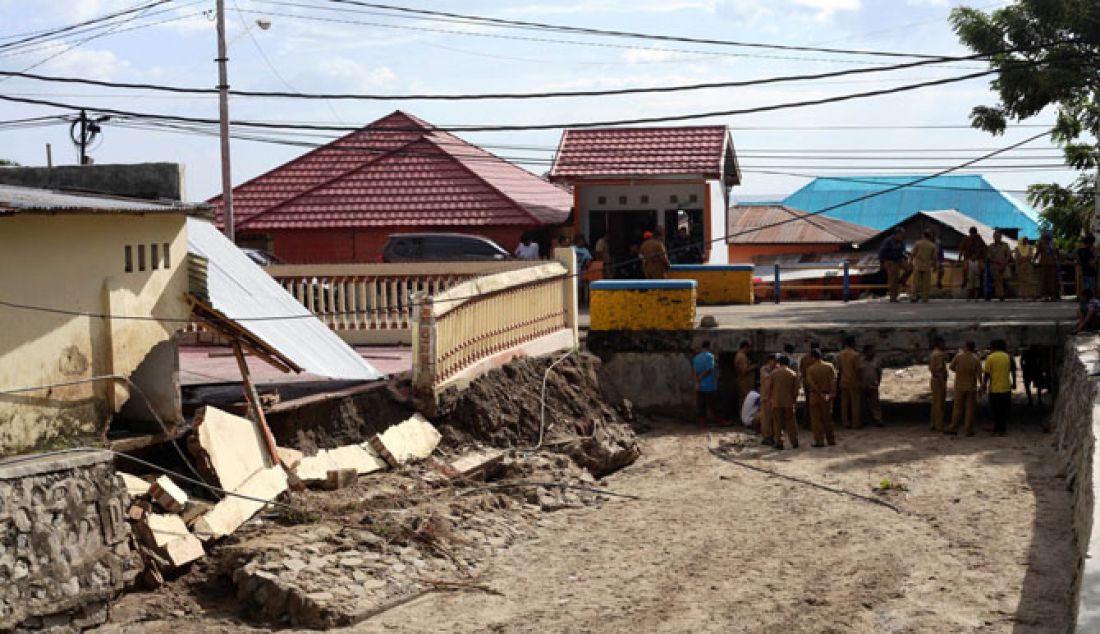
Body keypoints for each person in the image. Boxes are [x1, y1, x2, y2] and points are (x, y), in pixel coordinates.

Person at [981, 339, 1016, 437]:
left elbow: (987, 374)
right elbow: (1013, 371)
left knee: (995, 410)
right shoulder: (1009, 357)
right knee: (1004, 410)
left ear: (994, 347)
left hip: (994, 388)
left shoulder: (990, 357)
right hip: (1006, 388)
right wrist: (1014, 383)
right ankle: (1002, 430)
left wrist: (984, 385)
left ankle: (996, 428)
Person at [948, 341, 982, 436]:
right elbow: (979, 373)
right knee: (970, 409)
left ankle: (954, 427)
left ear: (966, 347)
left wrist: (959, 372)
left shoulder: (959, 356)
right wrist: (982, 385)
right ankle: (968, 430)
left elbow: (951, 367)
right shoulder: (976, 358)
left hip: (959, 385)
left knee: (957, 408)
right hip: (971, 386)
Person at [805, 348, 837, 447]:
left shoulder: (810, 369)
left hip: (815, 396)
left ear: (813, 357)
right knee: (827, 418)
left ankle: (819, 441)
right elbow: (833, 380)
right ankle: (831, 440)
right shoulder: (829, 366)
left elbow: (812, 384)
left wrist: (819, 393)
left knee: (816, 420)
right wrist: (832, 393)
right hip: (827, 395)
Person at [769, 355, 800, 450]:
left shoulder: (773, 373)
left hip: (777, 401)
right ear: (788, 363)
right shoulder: (793, 374)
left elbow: (770, 388)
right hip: (788, 402)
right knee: (791, 422)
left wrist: (771, 398)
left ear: (779, 363)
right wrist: (794, 399)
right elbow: (796, 390)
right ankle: (794, 441)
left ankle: (779, 442)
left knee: (777, 423)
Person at [877, 227, 911, 302]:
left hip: (899, 259)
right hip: (890, 260)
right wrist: (881, 264)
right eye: (901, 234)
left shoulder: (901, 241)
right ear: (896, 234)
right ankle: (893, 297)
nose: (902, 236)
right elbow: (881, 252)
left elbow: (903, 251)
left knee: (909, 268)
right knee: (893, 279)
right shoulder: (888, 240)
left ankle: (902, 280)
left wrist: (906, 256)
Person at [835, 336, 862, 429]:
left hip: (843, 380)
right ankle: (856, 422)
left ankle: (845, 422)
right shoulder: (855, 355)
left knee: (844, 403)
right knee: (855, 403)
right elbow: (858, 369)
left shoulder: (839, 355)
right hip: (854, 380)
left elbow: (839, 368)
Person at [693, 341, 719, 425]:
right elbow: (709, 369)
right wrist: (701, 377)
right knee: (713, 405)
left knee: (701, 405)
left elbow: (695, 372)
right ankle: (718, 421)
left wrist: (697, 382)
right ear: (709, 347)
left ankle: (702, 422)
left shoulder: (696, 358)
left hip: (700, 386)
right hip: (710, 385)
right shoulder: (710, 356)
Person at [959, 227, 987, 301]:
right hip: (968, 259)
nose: (972, 235)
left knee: (981, 271)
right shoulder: (966, 239)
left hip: (977, 259)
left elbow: (984, 248)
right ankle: (964, 281)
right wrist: (959, 260)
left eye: (974, 234)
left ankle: (979, 291)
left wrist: (983, 258)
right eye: (972, 234)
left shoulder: (979, 239)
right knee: (966, 270)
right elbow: (961, 250)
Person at [910, 229, 937, 302]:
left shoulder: (918, 243)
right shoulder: (932, 245)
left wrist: (910, 262)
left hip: (918, 265)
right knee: (926, 283)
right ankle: (925, 297)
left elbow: (912, 254)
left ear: (923, 235)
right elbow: (934, 258)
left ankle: (914, 297)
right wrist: (934, 266)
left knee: (915, 282)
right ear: (930, 236)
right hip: (927, 266)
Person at [860, 344, 884, 428]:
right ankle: (864, 420)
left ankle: (878, 419)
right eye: (870, 351)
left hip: (873, 385)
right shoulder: (860, 361)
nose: (872, 352)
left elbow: (879, 372)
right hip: (863, 385)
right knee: (863, 404)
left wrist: (878, 382)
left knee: (875, 403)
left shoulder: (876, 361)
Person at [758, 354, 779, 445]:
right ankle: (767, 437)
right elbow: (767, 379)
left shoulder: (777, 369)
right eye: (774, 361)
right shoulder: (764, 369)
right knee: (766, 418)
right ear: (770, 361)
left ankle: (775, 436)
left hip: (775, 397)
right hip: (766, 397)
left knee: (775, 418)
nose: (775, 363)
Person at [986, 230, 1013, 301]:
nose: (997, 238)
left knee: (1006, 278)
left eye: (998, 236)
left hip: (1004, 265)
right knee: (998, 280)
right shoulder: (991, 246)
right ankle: (1001, 295)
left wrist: (1004, 263)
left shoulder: (1005, 245)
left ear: (1001, 237)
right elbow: (989, 257)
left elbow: (1009, 255)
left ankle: (1002, 293)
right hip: (994, 266)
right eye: (995, 236)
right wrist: (997, 262)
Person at [929, 336, 948, 432]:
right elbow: (940, 370)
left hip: (934, 379)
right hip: (938, 380)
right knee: (940, 404)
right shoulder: (939, 354)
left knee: (935, 403)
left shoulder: (933, 353)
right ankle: (939, 425)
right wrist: (943, 383)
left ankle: (933, 423)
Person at [797, 342, 817, 430]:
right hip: (816, 384)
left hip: (806, 383)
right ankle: (814, 423)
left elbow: (801, 370)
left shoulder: (804, 358)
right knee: (816, 405)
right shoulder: (818, 359)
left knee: (808, 404)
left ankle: (806, 423)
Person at [1036, 231, 1060, 301]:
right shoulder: (1041, 243)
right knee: (1044, 280)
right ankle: (1045, 296)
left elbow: (1057, 252)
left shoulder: (1053, 243)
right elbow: (1038, 252)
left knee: (1052, 280)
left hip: (1052, 264)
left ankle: (1053, 296)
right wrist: (1034, 260)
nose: (1046, 238)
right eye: (1045, 236)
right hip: (1043, 263)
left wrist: (1059, 259)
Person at [734, 340, 757, 412]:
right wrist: (753, 367)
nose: (748, 350)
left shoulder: (741, 355)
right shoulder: (741, 356)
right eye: (748, 348)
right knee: (745, 400)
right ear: (745, 347)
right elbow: (744, 371)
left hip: (744, 382)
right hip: (744, 383)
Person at [1014, 236, 1037, 301]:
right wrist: (1025, 258)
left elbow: (1031, 256)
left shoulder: (1030, 248)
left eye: (1026, 240)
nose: (1025, 241)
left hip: (1028, 266)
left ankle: (1031, 295)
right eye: (1024, 240)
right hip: (1020, 266)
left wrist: (1024, 258)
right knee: (1022, 281)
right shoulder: (1017, 248)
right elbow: (1017, 257)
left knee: (1030, 280)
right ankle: (1023, 295)